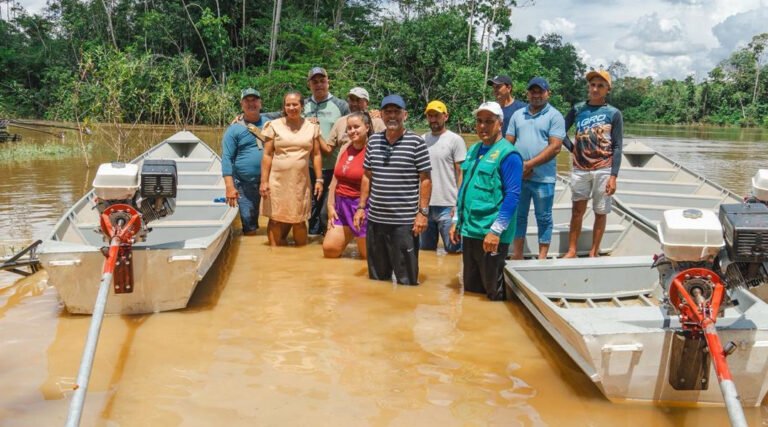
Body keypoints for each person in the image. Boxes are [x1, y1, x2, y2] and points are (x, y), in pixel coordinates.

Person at [353, 94, 431, 285]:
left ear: (405, 115)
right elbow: (367, 175)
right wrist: (361, 207)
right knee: (377, 280)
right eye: (388, 112)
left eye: (397, 111)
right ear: (381, 115)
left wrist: (422, 213)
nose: (392, 116)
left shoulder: (416, 143)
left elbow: (426, 179)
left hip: (404, 223)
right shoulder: (373, 142)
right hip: (376, 221)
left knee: (407, 280)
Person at [450, 102, 523, 300]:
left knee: (493, 293)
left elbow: (513, 196)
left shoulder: (509, 155)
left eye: (489, 122)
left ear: (500, 123)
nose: (483, 126)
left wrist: (496, 231)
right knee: (471, 290)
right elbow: (464, 186)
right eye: (479, 121)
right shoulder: (473, 150)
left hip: (491, 235)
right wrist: (457, 220)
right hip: (470, 230)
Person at [562, 69, 624, 258]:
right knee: (577, 211)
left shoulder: (613, 113)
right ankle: (572, 250)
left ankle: (593, 251)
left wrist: (613, 176)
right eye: (592, 85)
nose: (595, 89)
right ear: (588, 87)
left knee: (600, 211)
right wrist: (572, 149)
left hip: (604, 169)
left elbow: (618, 146)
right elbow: (560, 131)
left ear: (607, 90)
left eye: (600, 86)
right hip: (580, 169)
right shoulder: (578, 109)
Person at [506, 77, 565, 260]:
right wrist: (516, 166)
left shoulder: (555, 116)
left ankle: (542, 256)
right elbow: (508, 143)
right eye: (533, 91)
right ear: (527, 93)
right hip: (520, 177)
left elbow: (555, 147)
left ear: (548, 93)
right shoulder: (518, 115)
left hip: (543, 178)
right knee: (519, 216)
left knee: (544, 217)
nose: (536, 95)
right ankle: (517, 254)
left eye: (540, 91)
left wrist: (529, 165)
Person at [260, 91, 324, 246]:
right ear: (284, 107)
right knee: (275, 219)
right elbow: (267, 154)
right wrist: (264, 181)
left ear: (302, 106)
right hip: (276, 181)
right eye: (288, 104)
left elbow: (316, 155)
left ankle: (300, 259)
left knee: (299, 220)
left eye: (295, 104)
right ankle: (274, 256)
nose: (291, 107)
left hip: (300, 182)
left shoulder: (312, 127)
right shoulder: (273, 126)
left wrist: (319, 179)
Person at [304, 67, 351, 236]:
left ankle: (329, 240)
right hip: (308, 167)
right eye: (314, 82)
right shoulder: (302, 105)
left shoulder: (341, 105)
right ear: (309, 84)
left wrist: (375, 114)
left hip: (334, 167)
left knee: (328, 211)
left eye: (322, 81)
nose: (319, 85)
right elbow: (281, 116)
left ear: (328, 82)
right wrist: (244, 117)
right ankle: (313, 250)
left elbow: (359, 119)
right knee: (310, 211)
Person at [322, 112, 374, 259]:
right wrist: (331, 206)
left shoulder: (373, 149)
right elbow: (335, 179)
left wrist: (363, 209)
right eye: (349, 128)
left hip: (362, 207)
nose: (352, 131)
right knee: (329, 250)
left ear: (367, 127)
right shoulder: (345, 148)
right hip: (341, 206)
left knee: (367, 259)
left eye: (356, 127)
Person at [420, 100, 466, 254]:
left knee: (454, 252)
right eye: (430, 116)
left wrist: (458, 204)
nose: (433, 119)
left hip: (448, 205)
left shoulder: (455, 140)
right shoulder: (421, 140)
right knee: (425, 253)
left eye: (437, 115)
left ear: (445, 116)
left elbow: (461, 174)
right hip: (426, 206)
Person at [221, 88, 269, 235]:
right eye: (247, 101)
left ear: (260, 103)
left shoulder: (271, 123)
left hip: (271, 182)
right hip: (245, 184)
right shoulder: (233, 129)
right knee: (250, 229)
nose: (251, 104)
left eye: (254, 100)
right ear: (242, 104)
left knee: (276, 225)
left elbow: (295, 115)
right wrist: (230, 187)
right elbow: (226, 158)